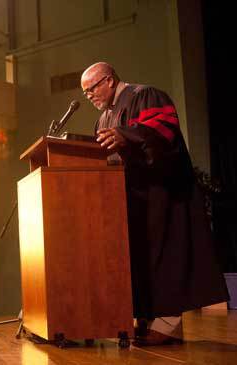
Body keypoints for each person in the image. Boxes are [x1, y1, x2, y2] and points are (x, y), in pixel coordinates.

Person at [81, 62, 229, 345]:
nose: (89, 96)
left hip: (161, 194)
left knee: (164, 256)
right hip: (130, 199)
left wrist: (126, 135)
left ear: (109, 80)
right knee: (137, 260)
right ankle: (144, 318)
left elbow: (162, 130)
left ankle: (169, 324)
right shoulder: (103, 119)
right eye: (85, 93)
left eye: (92, 89)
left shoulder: (145, 95)